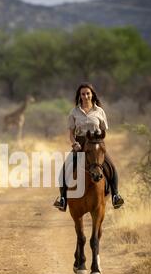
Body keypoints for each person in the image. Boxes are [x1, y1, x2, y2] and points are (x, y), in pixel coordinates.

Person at [53, 83, 124, 211]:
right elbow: (71, 134)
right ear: (79, 96)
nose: (85, 96)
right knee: (64, 171)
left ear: (92, 95)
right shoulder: (74, 112)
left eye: (88, 93)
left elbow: (103, 131)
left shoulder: (99, 111)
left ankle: (115, 195)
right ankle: (62, 199)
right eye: (83, 94)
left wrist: (99, 144)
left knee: (112, 168)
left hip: (96, 144)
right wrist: (74, 143)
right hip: (79, 145)